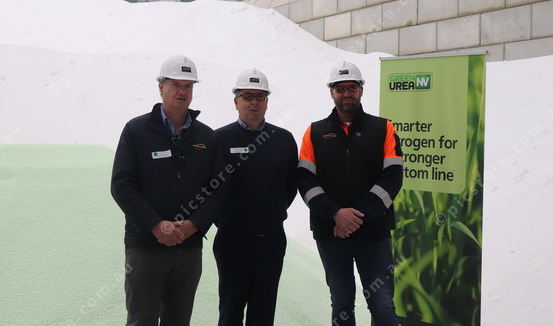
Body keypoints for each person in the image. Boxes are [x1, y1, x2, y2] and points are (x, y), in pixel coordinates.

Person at [111, 54, 227, 326]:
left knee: (179, 321)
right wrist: (155, 225)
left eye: (188, 86)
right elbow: (121, 185)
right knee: (141, 320)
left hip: (189, 249)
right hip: (146, 249)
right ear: (161, 86)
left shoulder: (206, 137)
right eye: (176, 84)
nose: (182, 92)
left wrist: (193, 225)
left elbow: (219, 189)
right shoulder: (136, 131)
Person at [297, 61, 404, 326]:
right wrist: (335, 213)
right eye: (340, 88)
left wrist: (356, 216)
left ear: (361, 91)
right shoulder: (314, 132)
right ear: (331, 93)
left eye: (352, 88)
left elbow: (393, 177)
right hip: (331, 233)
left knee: (382, 305)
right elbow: (305, 180)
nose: (347, 93)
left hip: (374, 234)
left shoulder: (384, 128)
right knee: (342, 304)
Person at [213, 68, 298, 326]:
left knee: (263, 313)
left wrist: (270, 213)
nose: (254, 102)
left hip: (271, 241)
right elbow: (209, 188)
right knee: (230, 312)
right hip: (232, 241)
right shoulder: (219, 139)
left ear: (267, 102)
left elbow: (290, 185)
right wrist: (228, 219)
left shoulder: (283, 139)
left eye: (260, 97)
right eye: (247, 96)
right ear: (236, 101)